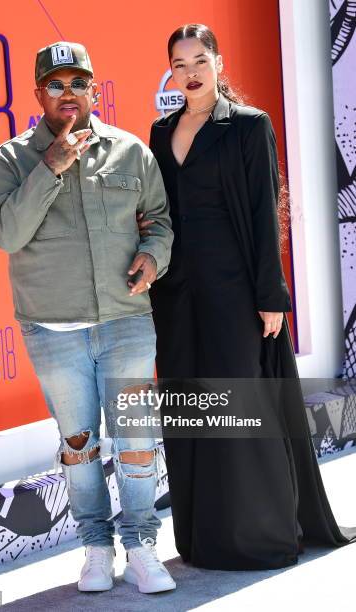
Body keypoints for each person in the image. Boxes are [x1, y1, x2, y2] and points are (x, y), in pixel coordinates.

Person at [139, 23, 356, 570]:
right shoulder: (160, 134)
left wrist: (272, 295)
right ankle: (202, 538)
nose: (190, 73)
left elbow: (265, 213)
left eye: (199, 61)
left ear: (218, 64)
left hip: (236, 292)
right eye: (180, 64)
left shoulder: (248, 127)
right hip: (176, 294)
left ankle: (262, 536)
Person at [0, 41, 176, 594]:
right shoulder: (10, 160)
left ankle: (141, 546)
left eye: (78, 82)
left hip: (126, 322)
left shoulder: (132, 152)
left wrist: (152, 256)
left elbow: (159, 220)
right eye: (56, 84)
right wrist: (50, 168)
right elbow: (6, 235)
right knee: (80, 444)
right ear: (38, 92)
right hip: (53, 329)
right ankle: (95, 548)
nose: (68, 93)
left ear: (95, 88)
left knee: (137, 439)